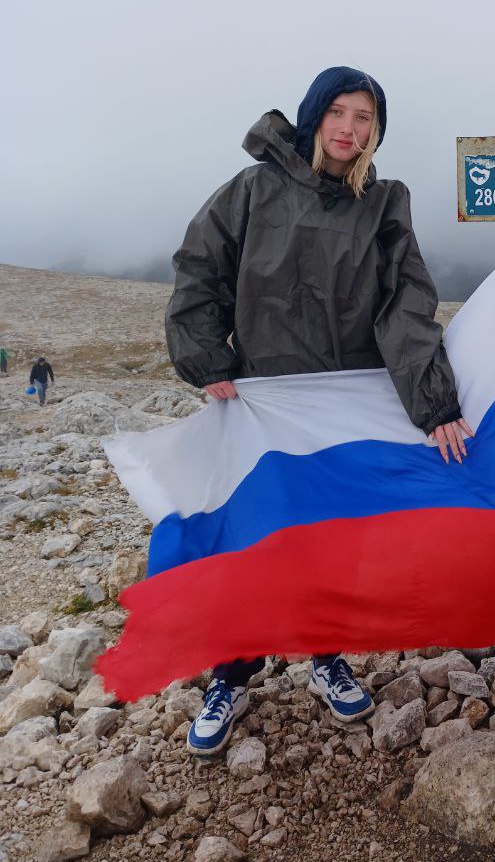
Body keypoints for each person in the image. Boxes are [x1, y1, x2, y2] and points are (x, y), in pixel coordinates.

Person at [165, 66, 472, 756]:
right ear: (313, 117)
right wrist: (206, 356)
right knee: (255, 539)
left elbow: (406, 306)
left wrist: (434, 402)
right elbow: (199, 269)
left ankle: (325, 654)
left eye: (364, 117)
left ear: (375, 132)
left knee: (332, 539)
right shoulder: (252, 190)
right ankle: (233, 675)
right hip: (263, 404)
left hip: (343, 409)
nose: (349, 128)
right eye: (338, 111)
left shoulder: (382, 206)